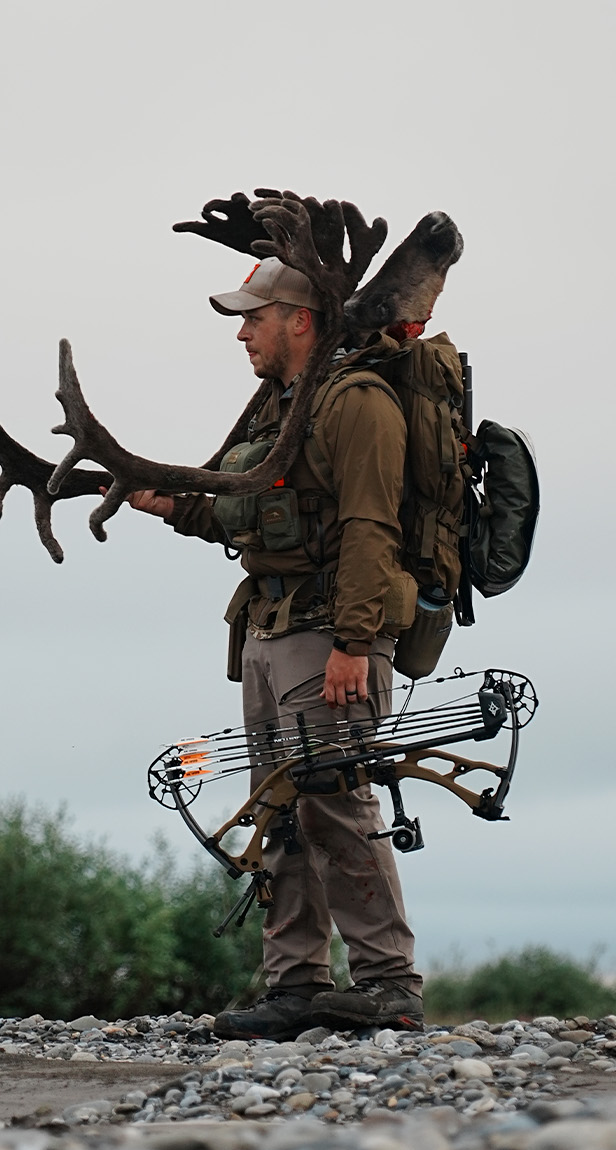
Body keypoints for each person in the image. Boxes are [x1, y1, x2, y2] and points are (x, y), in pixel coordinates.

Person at [127, 257, 425, 1041]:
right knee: (279, 811)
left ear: (300, 320)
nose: (242, 330)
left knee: (337, 802)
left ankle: (391, 985)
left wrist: (355, 644)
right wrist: (172, 509)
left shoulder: (357, 403)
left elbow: (371, 527)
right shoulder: (278, 409)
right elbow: (250, 515)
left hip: (330, 634)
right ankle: (296, 985)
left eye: (254, 316)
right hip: (269, 631)